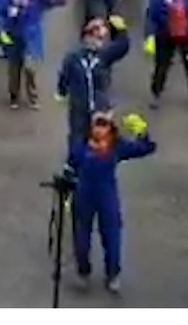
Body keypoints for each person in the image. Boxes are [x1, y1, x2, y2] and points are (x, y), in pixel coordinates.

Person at [67, 112, 156, 294]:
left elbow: (144, 148)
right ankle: (83, 271)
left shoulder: (116, 146)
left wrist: (143, 132)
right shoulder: (80, 146)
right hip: (84, 197)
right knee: (81, 239)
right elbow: (69, 168)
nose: (99, 129)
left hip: (106, 196)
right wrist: (67, 193)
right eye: (97, 124)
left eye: (104, 124)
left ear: (110, 127)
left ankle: (113, 273)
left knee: (112, 236)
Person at [56, 15, 131, 155]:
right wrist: (61, 91)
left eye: (101, 36)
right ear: (85, 37)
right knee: (77, 137)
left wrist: (121, 30)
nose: (98, 39)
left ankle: (99, 166)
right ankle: (73, 167)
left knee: (101, 138)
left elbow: (122, 46)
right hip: (79, 106)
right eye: (94, 33)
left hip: (100, 106)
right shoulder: (73, 58)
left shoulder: (103, 55)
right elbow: (64, 75)